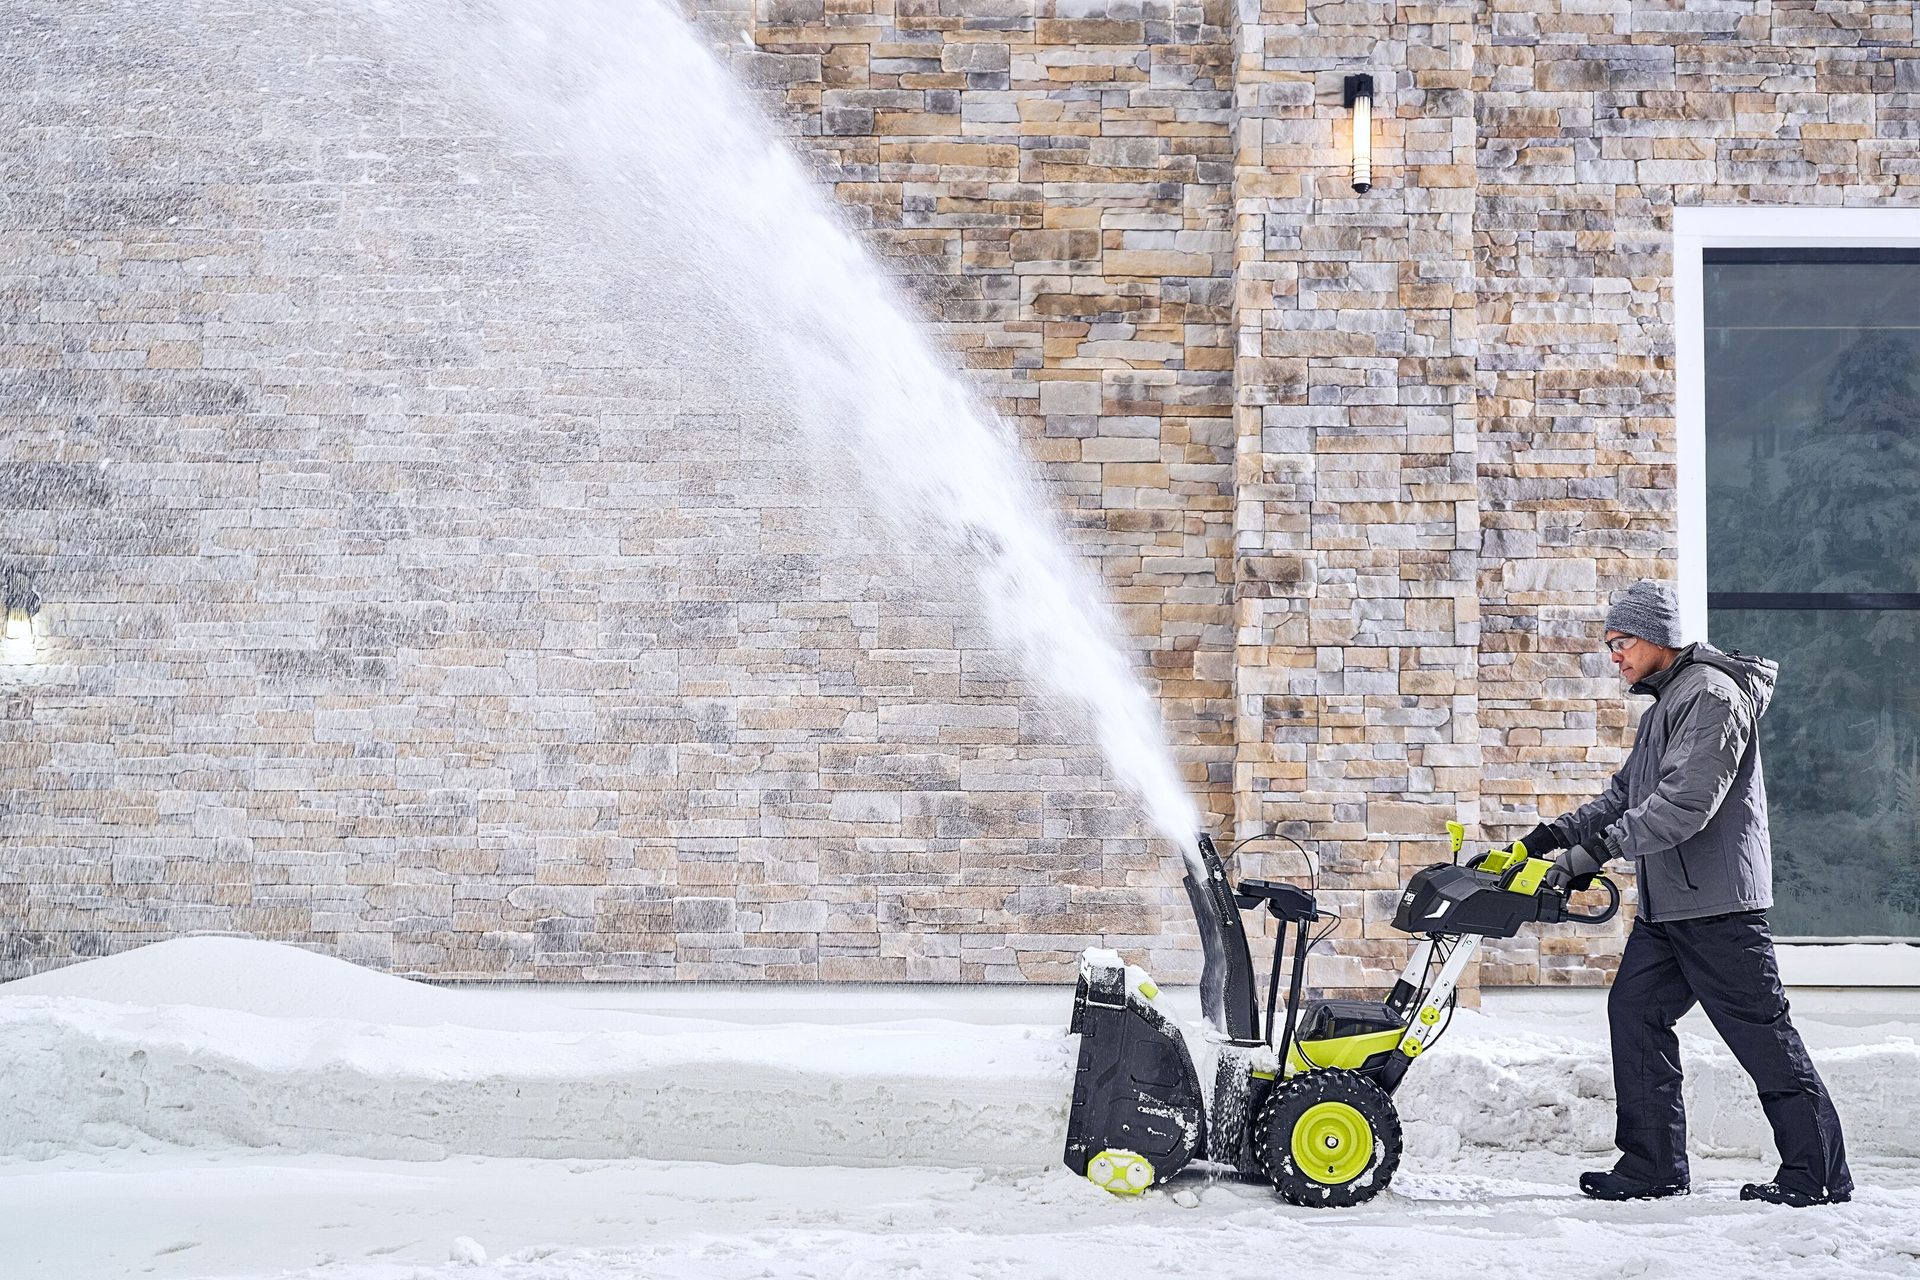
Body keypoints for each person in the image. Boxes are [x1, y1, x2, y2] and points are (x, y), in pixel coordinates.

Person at [1521, 580, 1851, 1207]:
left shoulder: (1711, 697)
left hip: (1719, 907)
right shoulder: (1666, 704)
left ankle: (1819, 1175)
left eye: (1620, 642)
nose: (1613, 655)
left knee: (1762, 1036)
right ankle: (1652, 1168)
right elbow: (1626, 795)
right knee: (1636, 1013)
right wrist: (1549, 838)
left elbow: (1682, 806)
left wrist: (1594, 853)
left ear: (1655, 638)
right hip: (1671, 907)